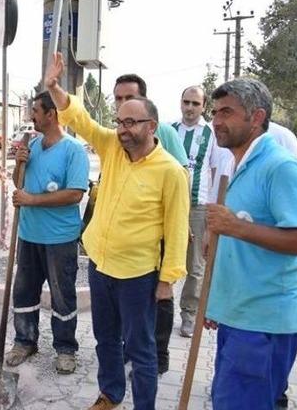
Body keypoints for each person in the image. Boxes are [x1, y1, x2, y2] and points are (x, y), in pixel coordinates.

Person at [46, 53, 189, 410]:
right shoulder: (112, 147)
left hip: (138, 275)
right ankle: (111, 394)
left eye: (132, 123)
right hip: (100, 264)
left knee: (141, 349)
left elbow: (176, 228)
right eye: (120, 121)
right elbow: (81, 119)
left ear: (152, 126)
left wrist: (167, 280)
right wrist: (53, 87)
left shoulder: (169, 172)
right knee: (105, 339)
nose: (123, 129)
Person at [205, 79, 297, 409]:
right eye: (215, 112)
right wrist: (218, 303)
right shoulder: (238, 165)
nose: (216, 120)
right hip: (241, 316)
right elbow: (237, 249)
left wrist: (237, 228)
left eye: (226, 112)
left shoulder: (281, 168)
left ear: (256, 117)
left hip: (264, 323)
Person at [3, 91, 90, 374]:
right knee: (24, 292)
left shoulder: (73, 151)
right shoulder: (34, 146)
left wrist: (32, 200)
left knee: (62, 296)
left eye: (35, 111)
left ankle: (65, 349)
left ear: (51, 114)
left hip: (59, 239)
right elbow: (20, 184)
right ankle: (25, 341)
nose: (32, 116)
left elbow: (75, 194)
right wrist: (19, 163)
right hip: (29, 235)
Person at [110, 73, 188, 375]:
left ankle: (159, 352)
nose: (122, 104)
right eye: (117, 99)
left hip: (160, 225)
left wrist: (177, 221)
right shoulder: (120, 133)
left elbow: (180, 175)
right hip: (130, 229)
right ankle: (131, 347)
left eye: (127, 98)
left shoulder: (163, 132)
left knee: (160, 291)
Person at [170, 85, 222, 339]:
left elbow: (215, 171)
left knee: (195, 265)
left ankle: (189, 315)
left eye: (195, 103)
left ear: (203, 107)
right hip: (169, 205)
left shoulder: (211, 134)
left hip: (198, 206)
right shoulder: (170, 131)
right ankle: (159, 309)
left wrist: (213, 211)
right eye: (186, 102)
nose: (190, 108)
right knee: (163, 258)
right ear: (180, 103)